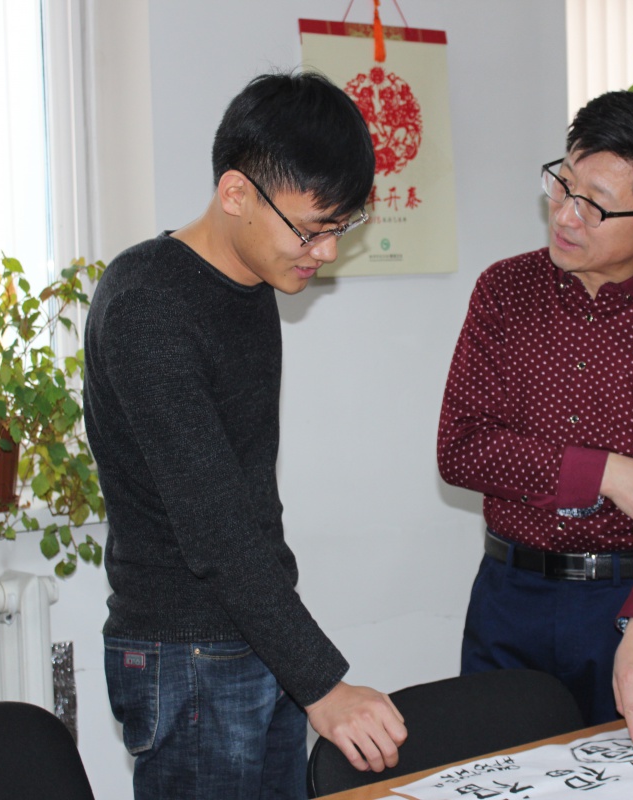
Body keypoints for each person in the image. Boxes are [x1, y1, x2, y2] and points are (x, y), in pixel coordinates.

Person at [84, 70, 406, 799]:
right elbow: (215, 526)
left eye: (341, 228)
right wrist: (323, 684)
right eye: (312, 228)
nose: (326, 252)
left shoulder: (254, 284)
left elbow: (251, 497)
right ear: (236, 194)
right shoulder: (147, 304)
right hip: (186, 651)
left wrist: (295, 659)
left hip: (253, 633)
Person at [437, 90, 633, 747]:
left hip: (629, 600)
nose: (565, 214)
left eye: (595, 205)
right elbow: (462, 448)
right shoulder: (505, 291)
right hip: (509, 596)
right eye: (563, 184)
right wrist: (605, 473)